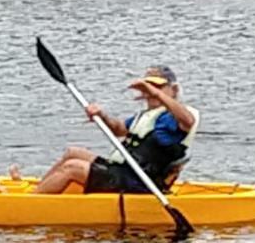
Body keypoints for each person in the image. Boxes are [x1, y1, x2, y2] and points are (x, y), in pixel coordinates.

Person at [18, 66, 198, 195]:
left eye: (158, 87)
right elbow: (119, 129)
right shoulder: (146, 115)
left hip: (141, 182)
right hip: (123, 170)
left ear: (173, 90)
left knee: (72, 168)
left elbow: (187, 121)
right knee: (73, 153)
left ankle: (31, 203)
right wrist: (101, 115)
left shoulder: (177, 115)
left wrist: (157, 94)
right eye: (148, 87)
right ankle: (39, 191)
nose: (150, 92)